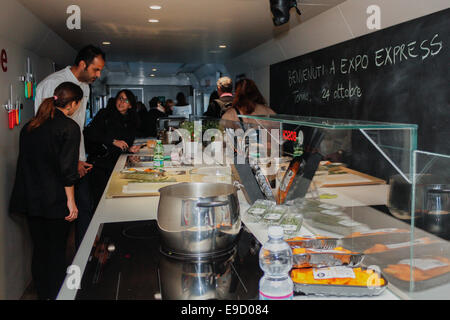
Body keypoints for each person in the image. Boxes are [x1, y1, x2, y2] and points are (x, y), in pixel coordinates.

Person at [10, 82, 84, 300]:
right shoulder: (69, 127)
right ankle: (57, 295)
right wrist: (71, 201)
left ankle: (43, 295)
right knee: (55, 253)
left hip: (31, 199)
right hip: (54, 200)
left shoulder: (31, 126)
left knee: (39, 250)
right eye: (77, 104)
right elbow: (67, 170)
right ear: (72, 104)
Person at [34, 45, 105, 249]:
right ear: (82, 64)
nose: (98, 75)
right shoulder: (53, 84)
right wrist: (73, 162)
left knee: (85, 208)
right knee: (62, 219)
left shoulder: (85, 87)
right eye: (95, 69)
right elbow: (50, 133)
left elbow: (78, 129)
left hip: (78, 161)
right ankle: (62, 270)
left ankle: (83, 259)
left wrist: (81, 158)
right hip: (59, 166)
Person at [84, 89, 141, 210]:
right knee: (99, 201)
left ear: (130, 105)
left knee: (115, 199)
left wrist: (130, 148)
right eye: (120, 98)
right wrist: (113, 141)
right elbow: (92, 134)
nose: (121, 102)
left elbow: (125, 143)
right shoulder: (105, 114)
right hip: (100, 163)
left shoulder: (132, 120)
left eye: (126, 100)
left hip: (117, 164)